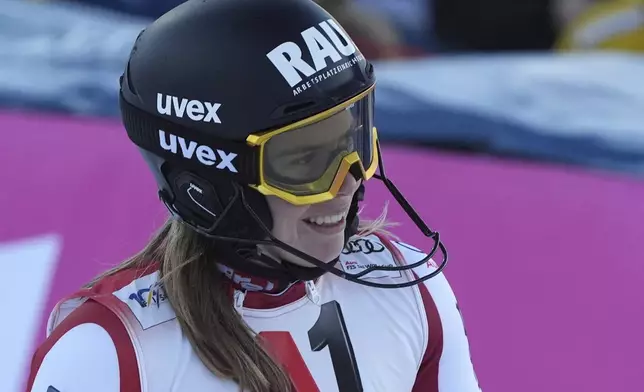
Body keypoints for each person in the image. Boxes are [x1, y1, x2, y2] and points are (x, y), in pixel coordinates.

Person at [26, 0, 481, 391]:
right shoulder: (108, 351)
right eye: (304, 162)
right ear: (207, 186)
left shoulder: (407, 290)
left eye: (350, 143)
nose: (348, 181)